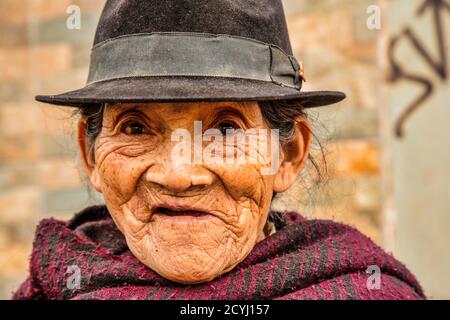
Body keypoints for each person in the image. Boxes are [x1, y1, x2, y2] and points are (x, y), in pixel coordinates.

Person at [13, 0, 424, 300]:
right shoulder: (49, 287)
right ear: (91, 156)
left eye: (226, 129)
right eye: (135, 127)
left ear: (290, 154)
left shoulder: (369, 292)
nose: (177, 175)